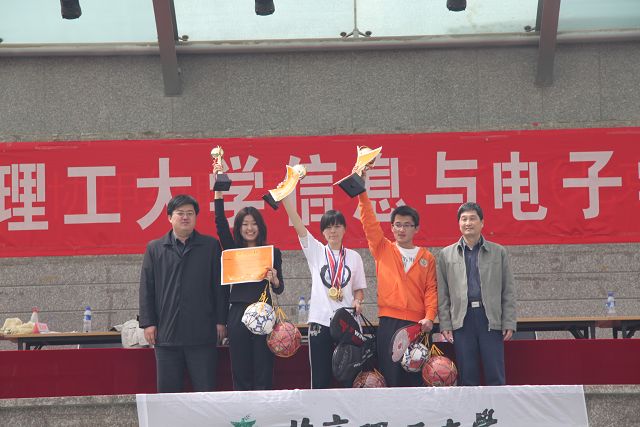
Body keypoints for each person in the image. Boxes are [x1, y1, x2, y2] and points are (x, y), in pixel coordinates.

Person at [139, 194, 229, 393]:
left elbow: (220, 287)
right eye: (180, 213)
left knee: (206, 393)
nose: (185, 217)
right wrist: (148, 323)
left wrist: (221, 321)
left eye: (190, 213)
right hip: (166, 336)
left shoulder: (210, 246)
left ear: (196, 217)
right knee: (168, 396)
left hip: (202, 336)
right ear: (169, 217)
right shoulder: (155, 249)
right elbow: (147, 288)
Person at [356, 170, 438, 387]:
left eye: (407, 225)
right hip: (389, 323)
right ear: (391, 227)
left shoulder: (426, 257)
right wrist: (362, 192)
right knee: (390, 380)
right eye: (397, 224)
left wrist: (430, 317)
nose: (402, 229)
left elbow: (430, 290)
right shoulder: (383, 248)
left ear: (416, 228)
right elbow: (369, 222)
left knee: (415, 381)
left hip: (418, 325)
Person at [281, 193, 367, 388]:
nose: (333, 231)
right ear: (322, 232)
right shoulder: (316, 251)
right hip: (320, 322)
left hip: (347, 324)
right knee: (320, 379)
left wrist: (358, 301)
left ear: (345, 229)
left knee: (348, 378)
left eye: (337, 226)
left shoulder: (354, 257)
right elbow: (299, 227)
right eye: (328, 227)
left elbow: (359, 289)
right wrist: (286, 200)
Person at [212, 164, 284, 390]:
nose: (250, 228)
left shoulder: (272, 252)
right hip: (238, 312)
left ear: (260, 227)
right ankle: (243, 406)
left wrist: (274, 279)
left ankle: (265, 404)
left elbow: (279, 288)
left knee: (263, 365)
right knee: (240, 365)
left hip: (264, 311)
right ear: (239, 228)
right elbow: (220, 223)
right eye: (245, 224)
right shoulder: (233, 249)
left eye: (254, 224)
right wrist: (218, 191)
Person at [437, 202, 516, 386]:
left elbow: (508, 290)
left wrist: (509, 321)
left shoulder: (498, 252)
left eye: (472, 218)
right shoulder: (446, 255)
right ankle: (469, 406)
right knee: (467, 376)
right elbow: (443, 293)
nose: (468, 223)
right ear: (459, 223)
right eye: (464, 219)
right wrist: (445, 324)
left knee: (495, 374)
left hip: (490, 319)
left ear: (482, 223)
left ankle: (496, 405)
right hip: (462, 320)